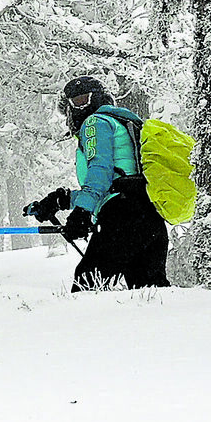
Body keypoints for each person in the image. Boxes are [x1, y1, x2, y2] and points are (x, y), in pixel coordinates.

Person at [24, 75, 170, 292]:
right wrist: (61, 200)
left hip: (122, 218)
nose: (78, 107)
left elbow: (100, 172)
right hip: (149, 217)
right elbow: (118, 180)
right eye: (75, 101)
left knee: (86, 288)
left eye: (82, 99)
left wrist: (82, 212)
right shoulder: (125, 122)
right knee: (149, 295)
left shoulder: (95, 123)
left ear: (99, 98)